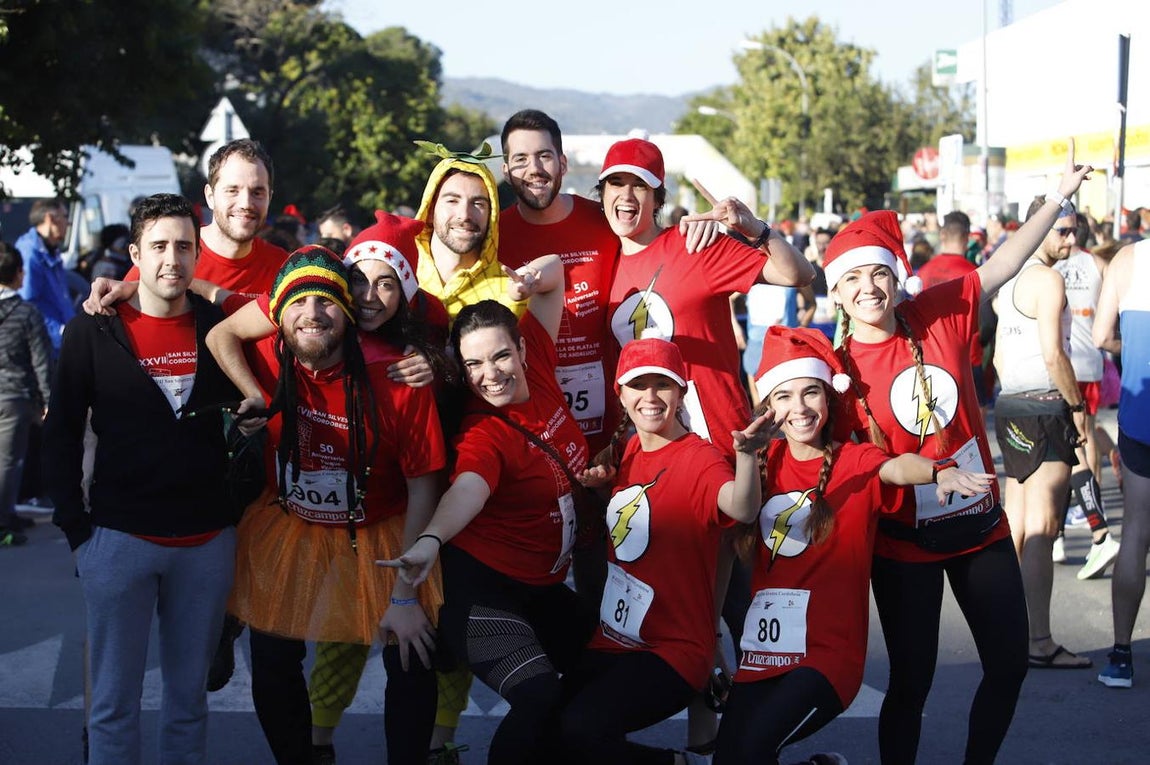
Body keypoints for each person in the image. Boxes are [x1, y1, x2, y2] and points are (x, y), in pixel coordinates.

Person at [828, 144, 1092, 764]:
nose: (869, 288)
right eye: (853, 279)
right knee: (912, 685)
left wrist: (1056, 198)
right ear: (836, 293)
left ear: (896, 276)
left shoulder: (939, 313)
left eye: (878, 273)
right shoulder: (833, 370)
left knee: (1008, 667)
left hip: (979, 530)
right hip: (901, 548)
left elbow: (1003, 261)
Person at [205, 244, 446, 765]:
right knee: (271, 657)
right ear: (276, 314)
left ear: (349, 315)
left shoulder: (398, 376)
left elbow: (425, 484)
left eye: (327, 303)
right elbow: (213, 319)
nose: (311, 315)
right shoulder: (270, 352)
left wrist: (405, 598)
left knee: (413, 653)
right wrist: (253, 393)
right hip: (290, 526)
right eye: (297, 303)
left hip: (381, 525)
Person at [714, 327, 993, 765]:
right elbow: (738, 521)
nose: (800, 408)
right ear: (769, 407)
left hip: (827, 658)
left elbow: (897, 468)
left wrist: (938, 472)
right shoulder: (761, 465)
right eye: (785, 397)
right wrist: (747, 456)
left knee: (752, 750)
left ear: (828, 398)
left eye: (811, 393)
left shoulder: (853, 460)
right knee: (730, 760)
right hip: (764, 653)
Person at [43, 194, 239, 765]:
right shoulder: (93, 331)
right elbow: (61, 436)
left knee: (188, 705)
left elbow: (283, 317)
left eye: (183, 246)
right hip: (118, 540)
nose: (171, 259)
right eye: (158, 246)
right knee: (111, 706)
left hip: (205, 544)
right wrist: (77, 531)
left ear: (198, 254)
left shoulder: (220, 326)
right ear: (134, 254)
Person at [381, 255, 592, 765]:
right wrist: (431, 539)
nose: (490, 376)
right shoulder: (484, 431)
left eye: (499, 357)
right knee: (538, 695)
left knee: (608, 669)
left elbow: (554, 281)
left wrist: (528, 278)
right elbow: (467, 489)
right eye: (473, 365)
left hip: (542, 589)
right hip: (482, 592)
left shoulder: (538, 366)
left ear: (521, 348)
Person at [560, 332, 770, 764]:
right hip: (615, 640)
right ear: (620, 394)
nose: (650, 397)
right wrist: (602, 494)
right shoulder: (631, 450)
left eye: (663, 384)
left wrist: (746, 457)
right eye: (639, 385)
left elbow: (741, 508)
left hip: (672, 651)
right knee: (543, 727)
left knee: (580, 728)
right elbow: (642, 522)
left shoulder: (701, 459)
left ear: (682, 391)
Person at [992, 195, 1092, 669]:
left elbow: (996, 358)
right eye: (1062, 231)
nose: (1071, 240)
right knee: (1044, 528)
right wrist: (1077, 406)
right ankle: (1038, 640)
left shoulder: (1010, 277)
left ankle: (1007, 631)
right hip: (1044, 405)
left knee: (1018, 523)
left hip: (1012, 405)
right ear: (1039, 227)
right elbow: (1054, 354)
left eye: (1075, 230)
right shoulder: (1048, 280)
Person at [498, 109, 622, 453]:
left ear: (562, 164)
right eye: (520, 159)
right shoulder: (493, 237)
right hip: (532, 427)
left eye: (544, 156)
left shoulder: (603, 222)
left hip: (610, 428)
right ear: (506, 170)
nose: (534, 168)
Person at [1093, 235, 1150, 688]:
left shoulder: (1129, 258)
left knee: (1135, 531)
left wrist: (1131, 351)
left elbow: (1099, 336)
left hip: (1141, 417)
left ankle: (1121, 656)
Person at [1050, 212, 1120, 579]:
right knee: (1085, 438)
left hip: (1061, 363)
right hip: (1090, 360)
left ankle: (1078, 526)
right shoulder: (1098, 263)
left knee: (1068, 448)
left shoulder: (1048, 263)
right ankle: (1082, 520)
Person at [414, 145, 523, 323]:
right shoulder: (398, 274)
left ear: (492, 214)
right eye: (452, 201)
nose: (464, 215)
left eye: (478, 203)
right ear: (431, 208)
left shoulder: (512, 294)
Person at [0, 242, 52, 545]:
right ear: (20, 274)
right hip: (15, 397)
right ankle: (3, 523)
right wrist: (48, 399)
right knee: (8, 462)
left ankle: (7, 513)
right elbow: (41, 361)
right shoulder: (27, 313)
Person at [16, 198, 72, 355]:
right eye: (65, 216)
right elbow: (27, 303)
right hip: (48, 346)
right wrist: (60, 331)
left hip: (61, 343)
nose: (68, 223)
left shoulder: (50, 250)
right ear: (50, 219)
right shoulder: (30, 253)